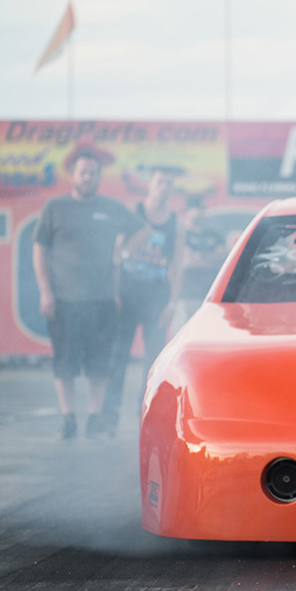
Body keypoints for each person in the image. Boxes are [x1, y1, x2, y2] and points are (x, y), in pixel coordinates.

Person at [33, 149, 145, 440]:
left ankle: (95, 417)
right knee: (65, 362)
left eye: (92, 173)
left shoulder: (111, 208)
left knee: (99, 364)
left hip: (101, 299)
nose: (87, 177)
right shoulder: (55, 208)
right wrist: (45, 291)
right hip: (64, 299)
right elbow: (39, 249)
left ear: (98, 176)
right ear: (73, 175)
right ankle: (68, 418)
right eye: (82, 172)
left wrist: (122, 253)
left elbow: (142, 231)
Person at [103, 166, 181, 432]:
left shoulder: (174, 221)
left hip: (157, 296)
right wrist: (114, 292)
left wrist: (171, 303)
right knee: (118, 357)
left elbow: (178, 264)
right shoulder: (134, 212)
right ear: (151, 185)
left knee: (153, 361)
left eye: (169, 183)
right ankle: (108, 417)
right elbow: (117, 253)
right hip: (128, 293)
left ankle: (147, 419)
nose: (164, 186)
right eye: (160, 181)